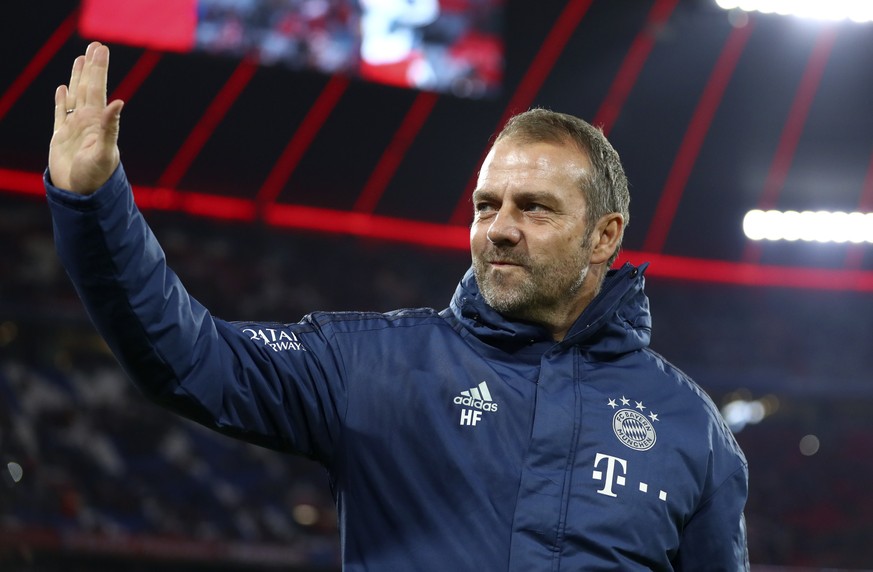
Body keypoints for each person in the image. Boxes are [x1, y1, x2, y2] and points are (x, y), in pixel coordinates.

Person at [47, 42, 749, 570]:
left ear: (604, 236)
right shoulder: (372, 365)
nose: (499, 227)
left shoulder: (692, 431)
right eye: (486, 205)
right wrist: (93, 206)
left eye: (534, 208)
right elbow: (187, 357)